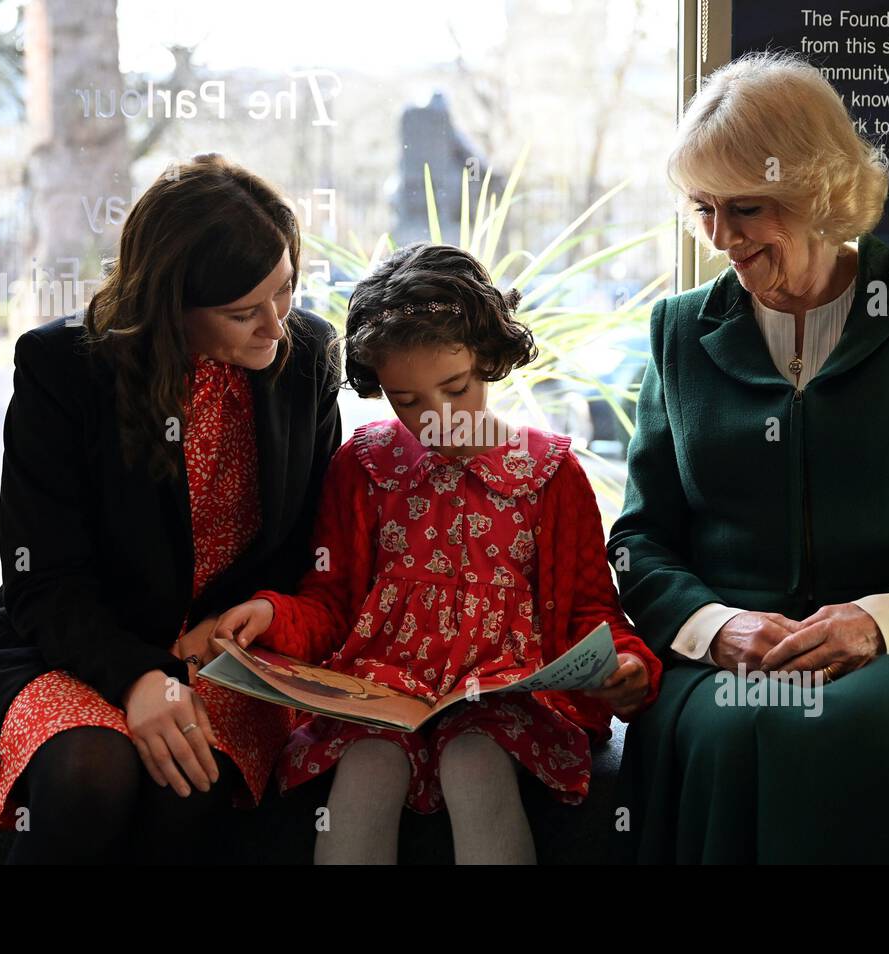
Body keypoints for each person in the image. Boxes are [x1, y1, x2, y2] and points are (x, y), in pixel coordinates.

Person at [607, 51, 889, 863]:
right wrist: (717, 627)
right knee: (731, 731)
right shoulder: (677, 330)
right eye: (702, 209)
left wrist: (879, 621)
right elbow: (641, 537)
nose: (720, 238)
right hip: (732, 651)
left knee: (882, 724)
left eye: (744, 209)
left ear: (815, 191)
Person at [213, 243, 664, 864]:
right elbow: (329, 602)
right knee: (366, 768)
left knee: (476, 761)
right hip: (378, 693)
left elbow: (593, 612)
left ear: (490, 357)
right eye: (408, 400)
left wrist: (628, 666)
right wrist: (269, 613)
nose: (440, 420)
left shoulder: (550, 473)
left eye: (455, 387)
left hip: (505, 698)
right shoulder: (363, 466)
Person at [0, 154, 342, 863]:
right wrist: (142, 676)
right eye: (241, 312)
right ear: (170, 308)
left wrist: (252, 618)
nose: (276, 326)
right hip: (78, 645)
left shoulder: (309, 356)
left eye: (286, 290)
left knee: (184, 784)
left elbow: (306, 551)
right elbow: (43, 576)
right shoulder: (63, 368)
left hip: (224, 660)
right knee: (88, 773)